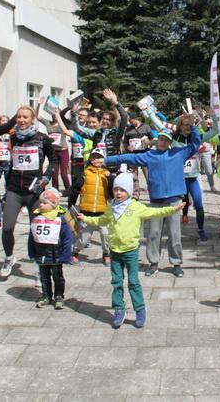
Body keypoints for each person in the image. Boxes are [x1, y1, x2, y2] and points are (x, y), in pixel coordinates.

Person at [78, 173, 185, 328]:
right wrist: (86, 219)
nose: (118, 193)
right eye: (116, 189)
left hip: (130, 251)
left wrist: (173, 209)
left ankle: (140, 309)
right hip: (115, 251)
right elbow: (102, 220)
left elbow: (155, 212)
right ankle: (119, 309)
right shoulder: (111, 207)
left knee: (133, 282)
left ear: (128, 191)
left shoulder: (136, 207)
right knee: (116, 282)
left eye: (122, 190)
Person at [104, 123, 200, 277]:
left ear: (170, 143)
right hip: (156, 201)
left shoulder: (178, 153)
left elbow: (195, 144)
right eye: (161, 139)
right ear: (157, 140)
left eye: (166, 140)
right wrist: (108, 160)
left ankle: (176, 263)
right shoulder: (149, 155)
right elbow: (129, 157)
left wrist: (193, 127)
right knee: (154, 233)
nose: (163, 142)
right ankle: (153, 262)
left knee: (174, 234)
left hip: (174, 201)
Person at [0, 105, 57, 278]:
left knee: (36, 230)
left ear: (32, 120)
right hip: (14, 190)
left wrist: (46, 176)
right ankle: (9, 258)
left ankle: (40, 265)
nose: (21, 120)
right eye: (19, 117)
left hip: (34, 191)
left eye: (25, 117)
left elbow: (53, 160)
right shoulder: (12, 138)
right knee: (7, 227)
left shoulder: (42, 138)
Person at [28, 188, 72, 309]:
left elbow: (67, 238)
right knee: (44, 277)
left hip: (56, 255)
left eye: (44, 203)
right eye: (40, 202)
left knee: (58, 277)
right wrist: (31, 251)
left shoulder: (60, 218)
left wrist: (65, 255)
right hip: (41, 254)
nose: (41, 205)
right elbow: (32, 235)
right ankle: (46, 295)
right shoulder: (37, 217)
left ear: (53, 204)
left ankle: (59, 296)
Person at [174, 114, 216, 241]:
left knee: (199, 204)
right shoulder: (174, 137)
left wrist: (215, 115)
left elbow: (215, 132)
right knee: (174, 205)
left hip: (192, 179)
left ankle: (201, 229)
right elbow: (160, 128)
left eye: (190, 124)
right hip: (178, 179)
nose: (188, 127)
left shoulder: (197, 137)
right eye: (185, 124)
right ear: (180, 126)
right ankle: (173, 229)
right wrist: (147, 111)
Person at [72, 89, 128, 175]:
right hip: (97, 168)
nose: (105, 121)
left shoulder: (116, 133)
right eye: (104, 118)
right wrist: (74, 112)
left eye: (108, 119)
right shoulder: (96, 133)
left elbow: (124, 117)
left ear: (113, 122)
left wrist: (116, 103)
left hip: (112, 168)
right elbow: (77, 128)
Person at [75, 144, 110, 264]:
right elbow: (75, 188)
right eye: (93, 158)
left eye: (99, 157)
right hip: (87, 211)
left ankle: (106, 254)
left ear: (103, 159)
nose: (96, 160)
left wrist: (110, 178)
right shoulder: (85, 173)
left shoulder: (106, 174)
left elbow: (112, 192)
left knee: (105, 234)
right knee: (84, 237)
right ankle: (75, 251)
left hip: (102, 211)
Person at [36, 97, 71, 194]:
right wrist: (39, 104)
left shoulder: (63, 123)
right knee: (54, 175)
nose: (55, 115)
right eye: (53, 113)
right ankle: (55, 192)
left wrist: (68, 107)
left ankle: (69, 191)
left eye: (57, 112)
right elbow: (37, 116)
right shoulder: (48, 123)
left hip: (63, 151)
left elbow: (67, 116)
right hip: (53, 152)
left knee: (64, 174)